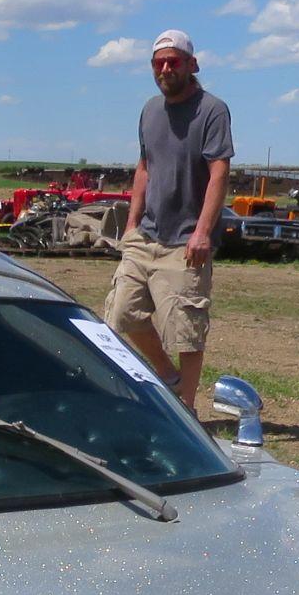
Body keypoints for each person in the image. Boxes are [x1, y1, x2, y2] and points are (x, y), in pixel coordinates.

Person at [103, 29, 232, 408]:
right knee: (122, 314)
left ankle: (188, 409)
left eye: (173, 62)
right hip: (146, 236)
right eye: (158, 63)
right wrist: (131, 224)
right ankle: (166, 374)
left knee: (186, 329)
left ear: (192, 65)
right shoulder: (149, 110)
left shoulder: (212, 110)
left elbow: (219, 172)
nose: (165, 69)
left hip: (186, 241)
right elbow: (144, 168)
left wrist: (203, 232)